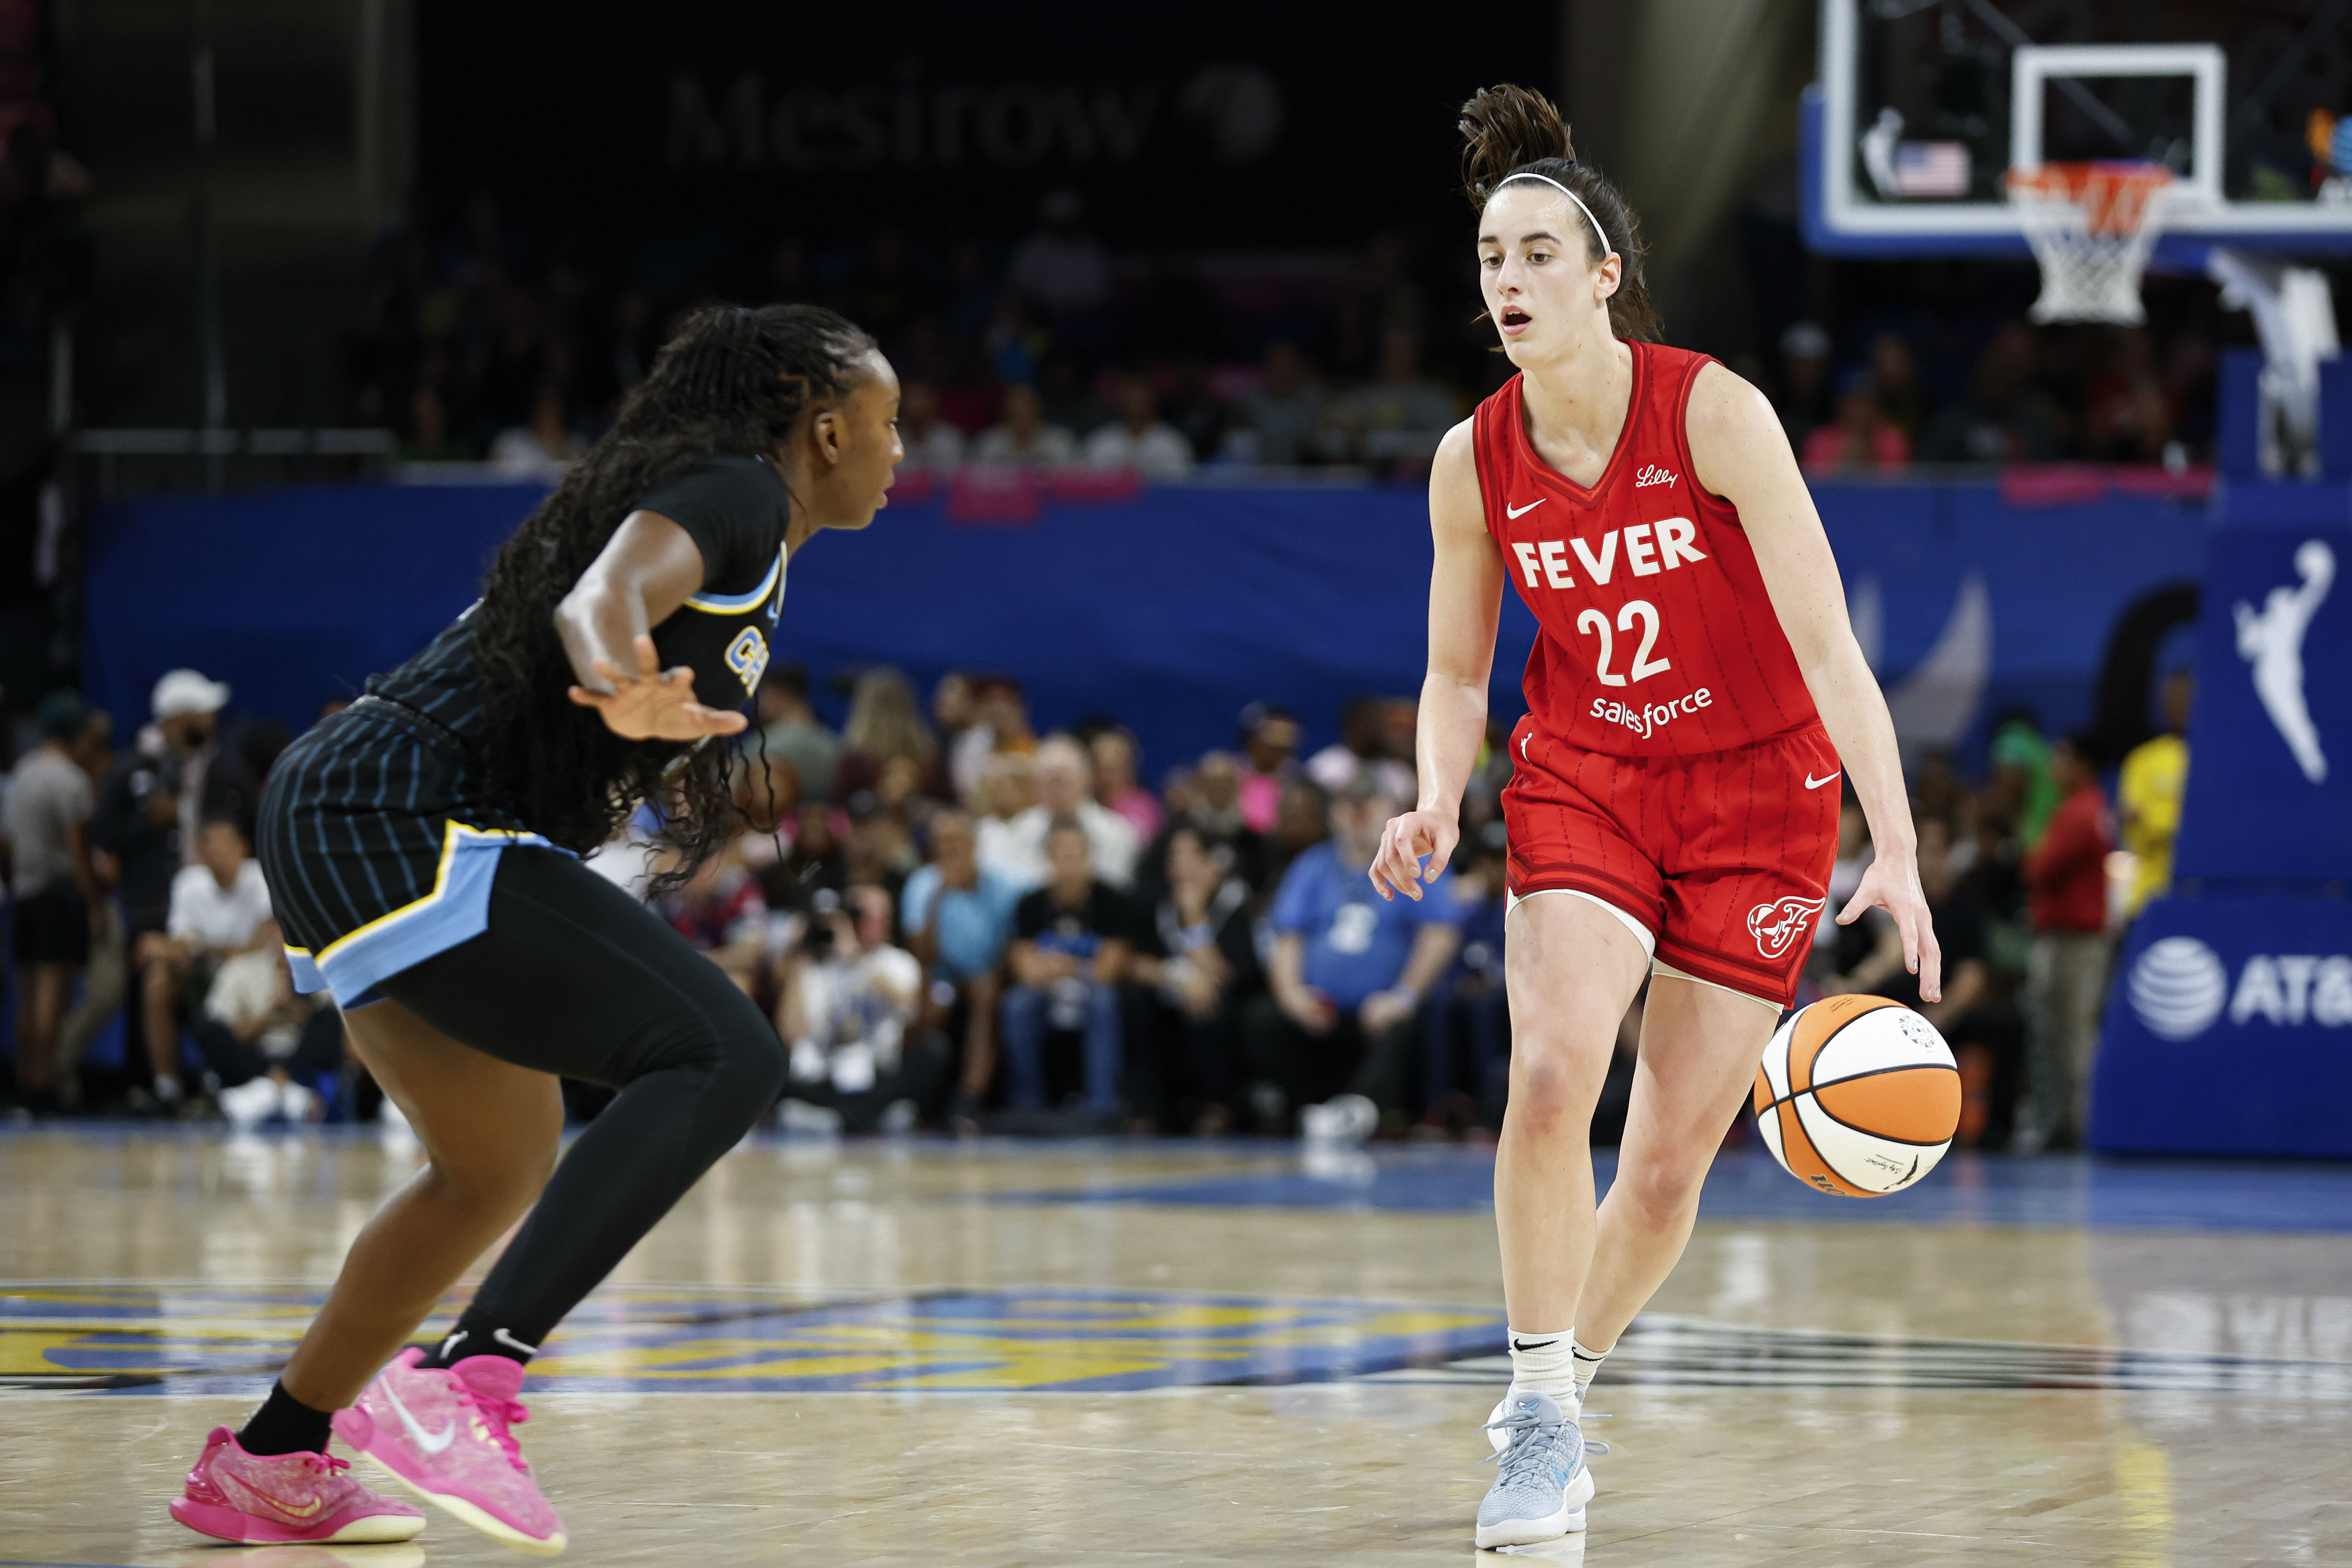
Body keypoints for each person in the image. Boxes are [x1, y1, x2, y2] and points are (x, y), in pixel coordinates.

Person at [162, 304, 902, 1553]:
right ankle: (468, 1378)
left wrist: (636, 698)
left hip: (352, 803)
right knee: (726, 1051)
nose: (900, 454)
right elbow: (601, 596)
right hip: (403, 809)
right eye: (890, 426)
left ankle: (273, 1455)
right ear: (823, 426)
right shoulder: (730, 492)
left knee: (496, 1163)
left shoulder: (741, 514)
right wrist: (621, 671)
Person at [1369, 88, 1938, 1550]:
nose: (1508, 279)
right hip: (1587, 773)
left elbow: (1827, 652)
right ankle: (1541, 1420)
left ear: (1604, 272)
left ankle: (1568, 1377)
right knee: (1554, 1072)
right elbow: (1450, 669)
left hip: (1762, 791)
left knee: (1672, 1158)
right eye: (1492, 255)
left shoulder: (1713, 411)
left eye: (1540, 253)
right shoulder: (1471, 459)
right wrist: (1436, 795)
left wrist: (1900, 846)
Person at [1248, 774, 1461, 1139]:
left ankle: (1358, 1111)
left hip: (1381, 1007)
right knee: (1263, 1018)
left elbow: (1439, 934)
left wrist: (1403, 996)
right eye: (1349, 806)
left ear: (1392, 812)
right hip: (1322, 1008)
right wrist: (1294, 996)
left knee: (1407, 1023)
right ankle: (1307, 1110)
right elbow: (1286, 938)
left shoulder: (1417, 861)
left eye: (1369, 805)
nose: (1358, 815)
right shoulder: (1313, 866)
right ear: (1334, 813)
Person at [90, 668, 232, 1111]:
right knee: (145, 987)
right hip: (150, 901)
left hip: (200, 904)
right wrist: (149, 820)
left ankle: (209, 1081)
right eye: (202, 714)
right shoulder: (132, 766)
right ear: (175, 718)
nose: (211, 722)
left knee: (205, 991)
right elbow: (103, 832)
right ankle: (145, 1085)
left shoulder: (212, 765)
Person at [1127, 823, 1261, 1134]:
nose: (1180, 866)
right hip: (1175, 990)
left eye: (1192, 856)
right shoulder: (1159, 901)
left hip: (1226, 998)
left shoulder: (1233, 902)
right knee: (1134, 1000)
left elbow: (1222, 974)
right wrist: (1176, 978)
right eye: (1175, 856)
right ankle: (1152, 1107)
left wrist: (1194, 914)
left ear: (1213, 862)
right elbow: (1134, 962)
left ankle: (1220, 1104)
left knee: (1210, 1004)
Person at [2016, 732, 2113, 1154]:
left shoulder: (2080, 812)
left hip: (2073, 945)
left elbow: (2038, 867)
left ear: (2082, 765)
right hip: (2069, 941)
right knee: (2061, 1035)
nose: (2055, 766)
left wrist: (2032, 850)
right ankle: (2064, 1124)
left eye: (2062, 757)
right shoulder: (2083, 808)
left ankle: (2072, 1128)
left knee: (2069, 1036)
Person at [1001, 817, 1134, 1122]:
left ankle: (1102, 1105)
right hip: (1046, 993)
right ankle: (1027, 1105)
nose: (1070, 862)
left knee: (1104, 1001)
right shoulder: (1031, 904)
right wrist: (1077, 968)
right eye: (1063, 854)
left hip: (1090, 992)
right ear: (1049, 859)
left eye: (1077, 854)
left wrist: (1063, 966)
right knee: (1017, 1004)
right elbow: (1024, 970)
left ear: (1090, 858)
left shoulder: (1112, 901)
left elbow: (1109, 970)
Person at [4, 691, 98, 1115]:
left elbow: (5, 844)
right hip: (58, 892)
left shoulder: (21, 774)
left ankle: (25, 1082)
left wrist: (16, 882)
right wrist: (91, 896)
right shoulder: (69, 779)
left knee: (28, 994)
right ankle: (43, 1087)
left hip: (25, 891)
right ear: (75, 735)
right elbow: (76, 844)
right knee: (53, 994)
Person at [900, 809, 1020, 1125]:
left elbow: (1010, 950)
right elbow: (922, 956)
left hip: (990, 978)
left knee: (985, 990)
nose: (949, 849)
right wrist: (938, 900)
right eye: (942, 842)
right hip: (941, 978)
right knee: (930, 999)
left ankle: (970, 1096)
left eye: (957, 841)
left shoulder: (1003, 887)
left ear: (973, 844)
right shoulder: (922, 884)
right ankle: (916, 1097)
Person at [982, 733, 1140, 891]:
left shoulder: (1117, 834)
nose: (1057, 790)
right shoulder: (1016, 831)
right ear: (1038, 784)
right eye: (1049, 781)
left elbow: (1118, 885)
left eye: (1063, 780)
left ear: (1085, 779)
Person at [2116, 669, 2192, 923]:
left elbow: (2212, 827)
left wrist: (2153, 817)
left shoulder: (2213, 759)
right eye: (2170, 697)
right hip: (2147, 897)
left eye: (2184, 696)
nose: (2176, 704)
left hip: (2196, 895)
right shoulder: (2143, 759)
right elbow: (2132, 828)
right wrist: (2178, 818)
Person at [752, 663, 842, 806]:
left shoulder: (762, 744)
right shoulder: (832, 742)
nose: (759, 702)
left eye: (764, 693)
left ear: (780, 695)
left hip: (774, 821)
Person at [1081, 371, 1195, 478]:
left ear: (1153, 397)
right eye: (1129, 392)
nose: (1135, 399)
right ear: (1118, 398)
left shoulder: (1173, 444)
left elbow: (1183, 489)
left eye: (1140, 392)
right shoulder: (1099, 443)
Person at [971, 383, 1076, 468]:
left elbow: (1070, 479)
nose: (1022, 422)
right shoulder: (989, 443)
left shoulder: (1061, 441)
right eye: (1015, 416)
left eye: (1028, 414)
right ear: (1004, 417)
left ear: (1039, 414)